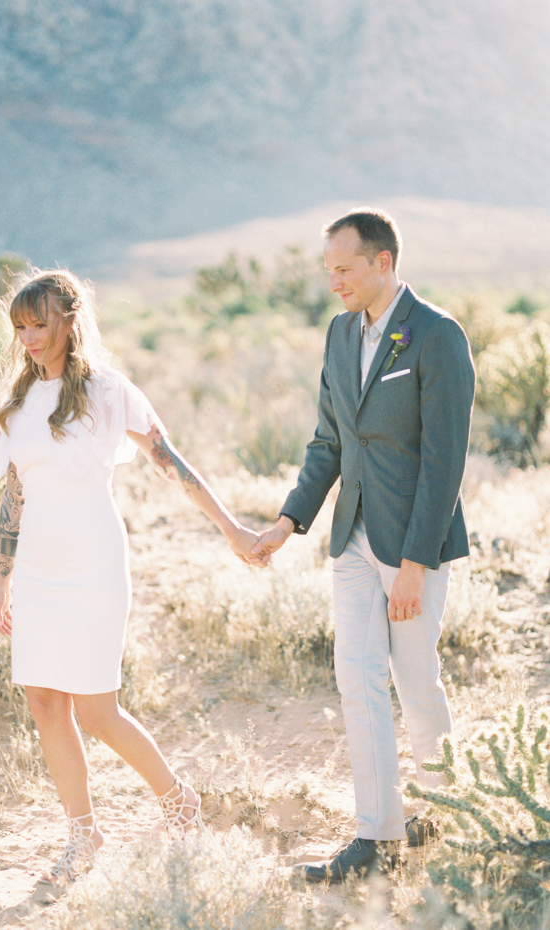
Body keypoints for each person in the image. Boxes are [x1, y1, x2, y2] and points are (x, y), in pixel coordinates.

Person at [0, 269, 261, 885]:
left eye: (41, 323)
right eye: (21, 326)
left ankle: (177, 798)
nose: (30, 337)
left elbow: (174, 465)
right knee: (43, 701)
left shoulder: (108, 393)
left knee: (98, 710)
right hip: (35, 570)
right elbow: (13, 497)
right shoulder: (17, 407)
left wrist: (231, 528)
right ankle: (83, 836)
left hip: (94, 564)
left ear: (69, 320)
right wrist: (0, 575)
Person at [252, 208, 476, 882]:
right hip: (349, 537)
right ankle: (376, 839)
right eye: (328, 271)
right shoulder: (339, 333)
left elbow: (445, 459)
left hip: (412, 543)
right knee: (358, 679)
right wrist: (286, 524)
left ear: (383, 262)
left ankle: (448, 811)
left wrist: (415, 561)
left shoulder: (437, 336)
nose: (334, 283)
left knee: (415, 682)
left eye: (344, 269)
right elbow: (330, 441)